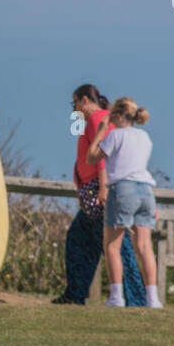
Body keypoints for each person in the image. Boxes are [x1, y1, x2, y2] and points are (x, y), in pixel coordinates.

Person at [54, 84, 147, 306]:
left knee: (116, 246)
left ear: (85, 100)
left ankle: (135, 299)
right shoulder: (99, 119)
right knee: (80, 240)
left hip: (99, 193)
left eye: (74, 103)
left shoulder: (97, 118)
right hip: (93, 193)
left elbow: (104, 155)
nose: (74, 108)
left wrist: (103, 188)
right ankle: (75, 294)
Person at [86, 97, 161, 308]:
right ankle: (153, 299)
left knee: (112, 245)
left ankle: (116, 297)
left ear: (117, 117)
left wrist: (101, 131)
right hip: (146, 191)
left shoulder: (115, 135)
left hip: (123, 190)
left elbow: (91, 158)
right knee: (145, 247)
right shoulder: (145, 137)